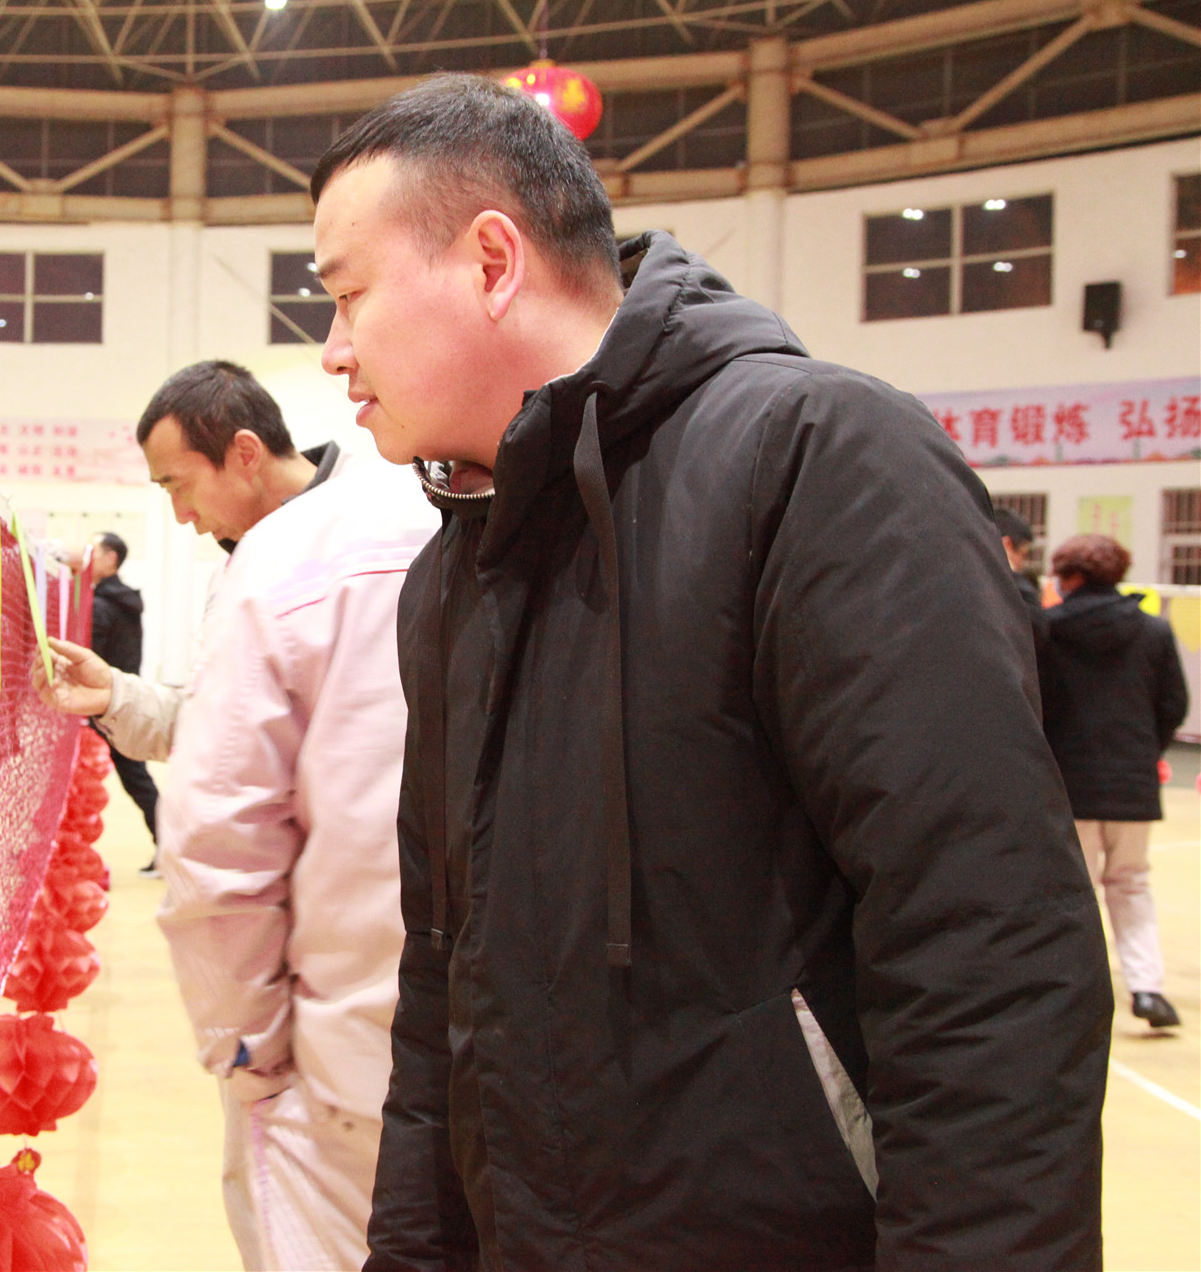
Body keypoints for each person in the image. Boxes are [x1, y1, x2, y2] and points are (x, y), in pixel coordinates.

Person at [310, 75, 1111, 1270]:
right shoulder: (451, 575)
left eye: (346, 296)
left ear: (489, 262)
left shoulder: (815, 461)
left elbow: (988, 954)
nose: (332, 352)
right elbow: (443, 990)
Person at [35, 361, 437, 1270]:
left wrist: (245, 1040)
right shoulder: (292, 550)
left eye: (179, 485)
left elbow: (223, 826)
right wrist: (119, 697)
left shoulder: (343, 547)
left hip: (339, 1009)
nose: (180, 515)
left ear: (245, 453)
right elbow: (229, 735)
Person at [1041, 533, 1189, 1031]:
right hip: (1132, 781)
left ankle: (1075, 995)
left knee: (1074, 891)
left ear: (1071, 576)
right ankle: (1147, 989)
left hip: (1068, 781)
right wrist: (1143, 753)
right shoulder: (1154, 630)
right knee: (1131, 883)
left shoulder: (1049, 629)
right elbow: (1174, 704)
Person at [85, 530, 162, 874]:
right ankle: (170, 849)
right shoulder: (124, 602)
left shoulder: (102, 605)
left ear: (111, 558)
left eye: (93, 551)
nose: (87, 558)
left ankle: (171, 850)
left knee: (134, 781)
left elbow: (93, 660)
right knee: (138, 781)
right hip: (122, 701)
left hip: (103, 707)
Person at [995, 506, 1050, 648]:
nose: (1022, 564)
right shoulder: (1004, 588)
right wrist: (1010, 573)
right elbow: (1036, 629)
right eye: (1023, 554)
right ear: (1006, 545)